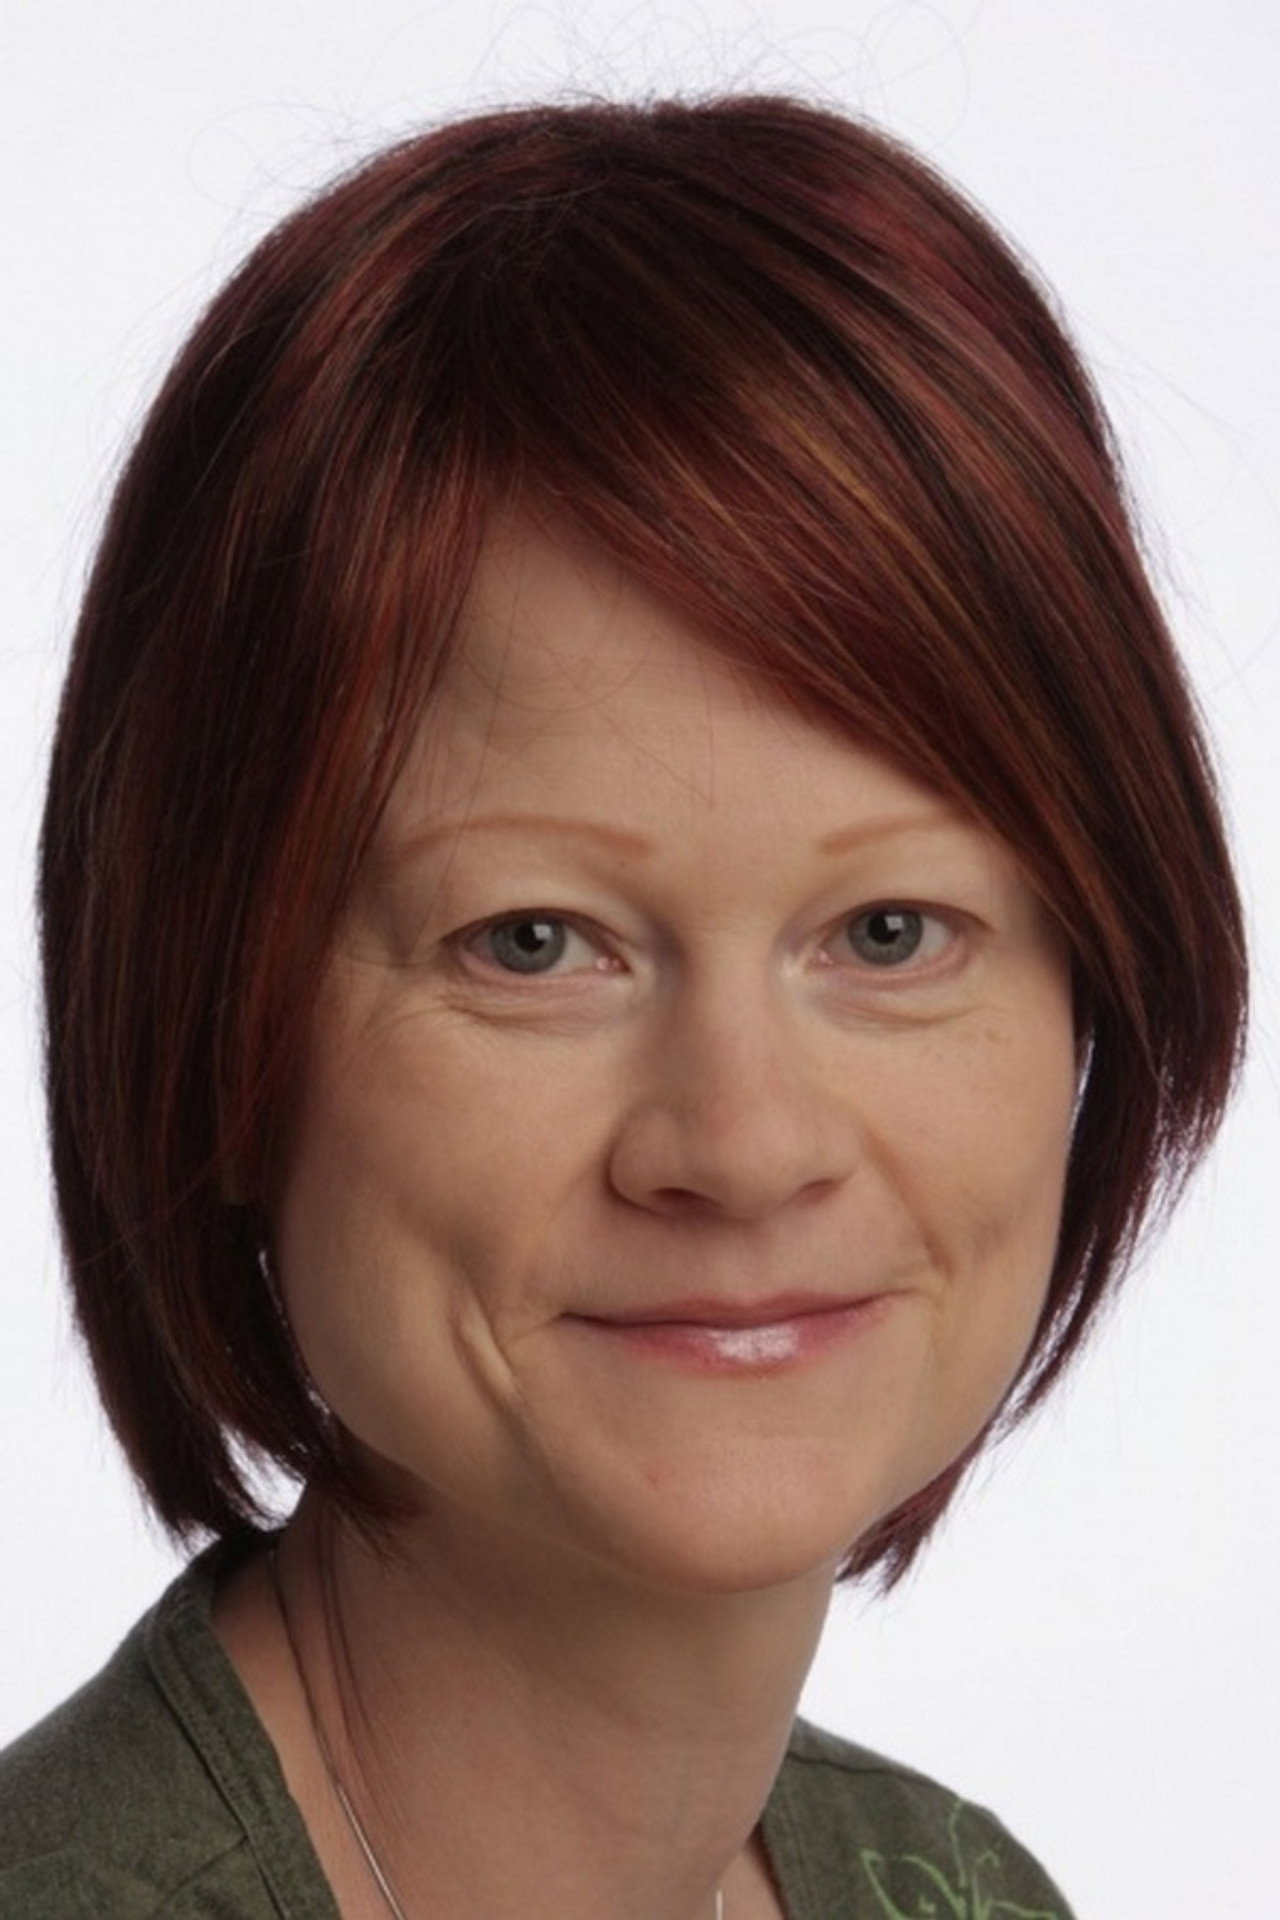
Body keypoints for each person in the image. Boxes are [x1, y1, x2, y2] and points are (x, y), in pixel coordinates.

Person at [0, 95, 1245, 1918]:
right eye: (532, 942)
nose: (741, 1146)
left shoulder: (959, 1890)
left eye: (891, 930)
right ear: (218, 1037)